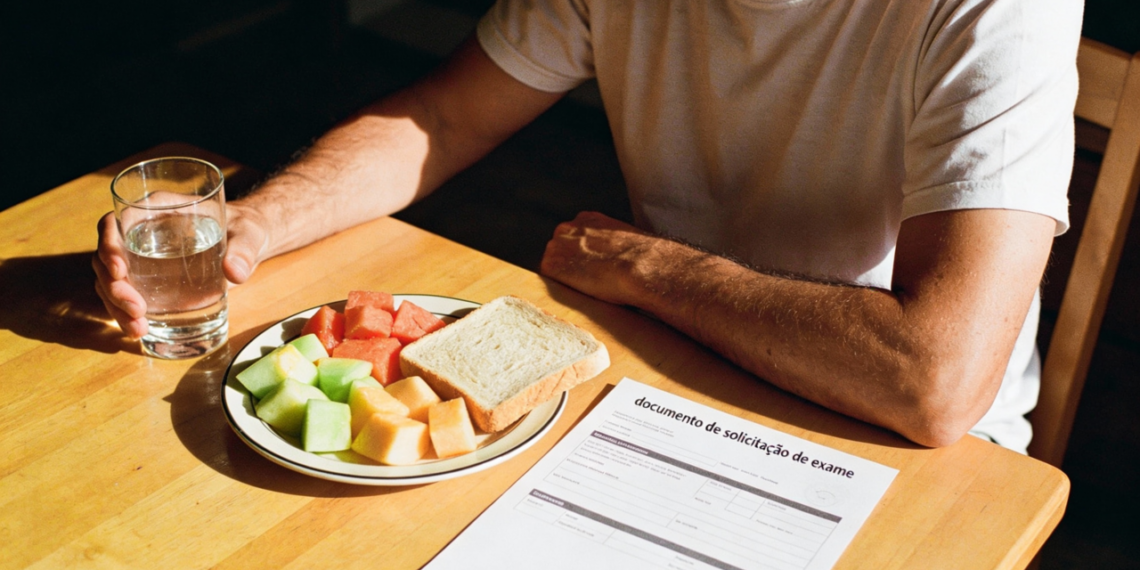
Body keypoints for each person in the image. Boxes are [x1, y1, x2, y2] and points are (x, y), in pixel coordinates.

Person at [94, 0, 1083, 453]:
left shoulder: (1001, 10)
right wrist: (247, 224)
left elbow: (935, 380)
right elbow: (438, 122)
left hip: (894, 440)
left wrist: (652, 270)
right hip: (664, 373)